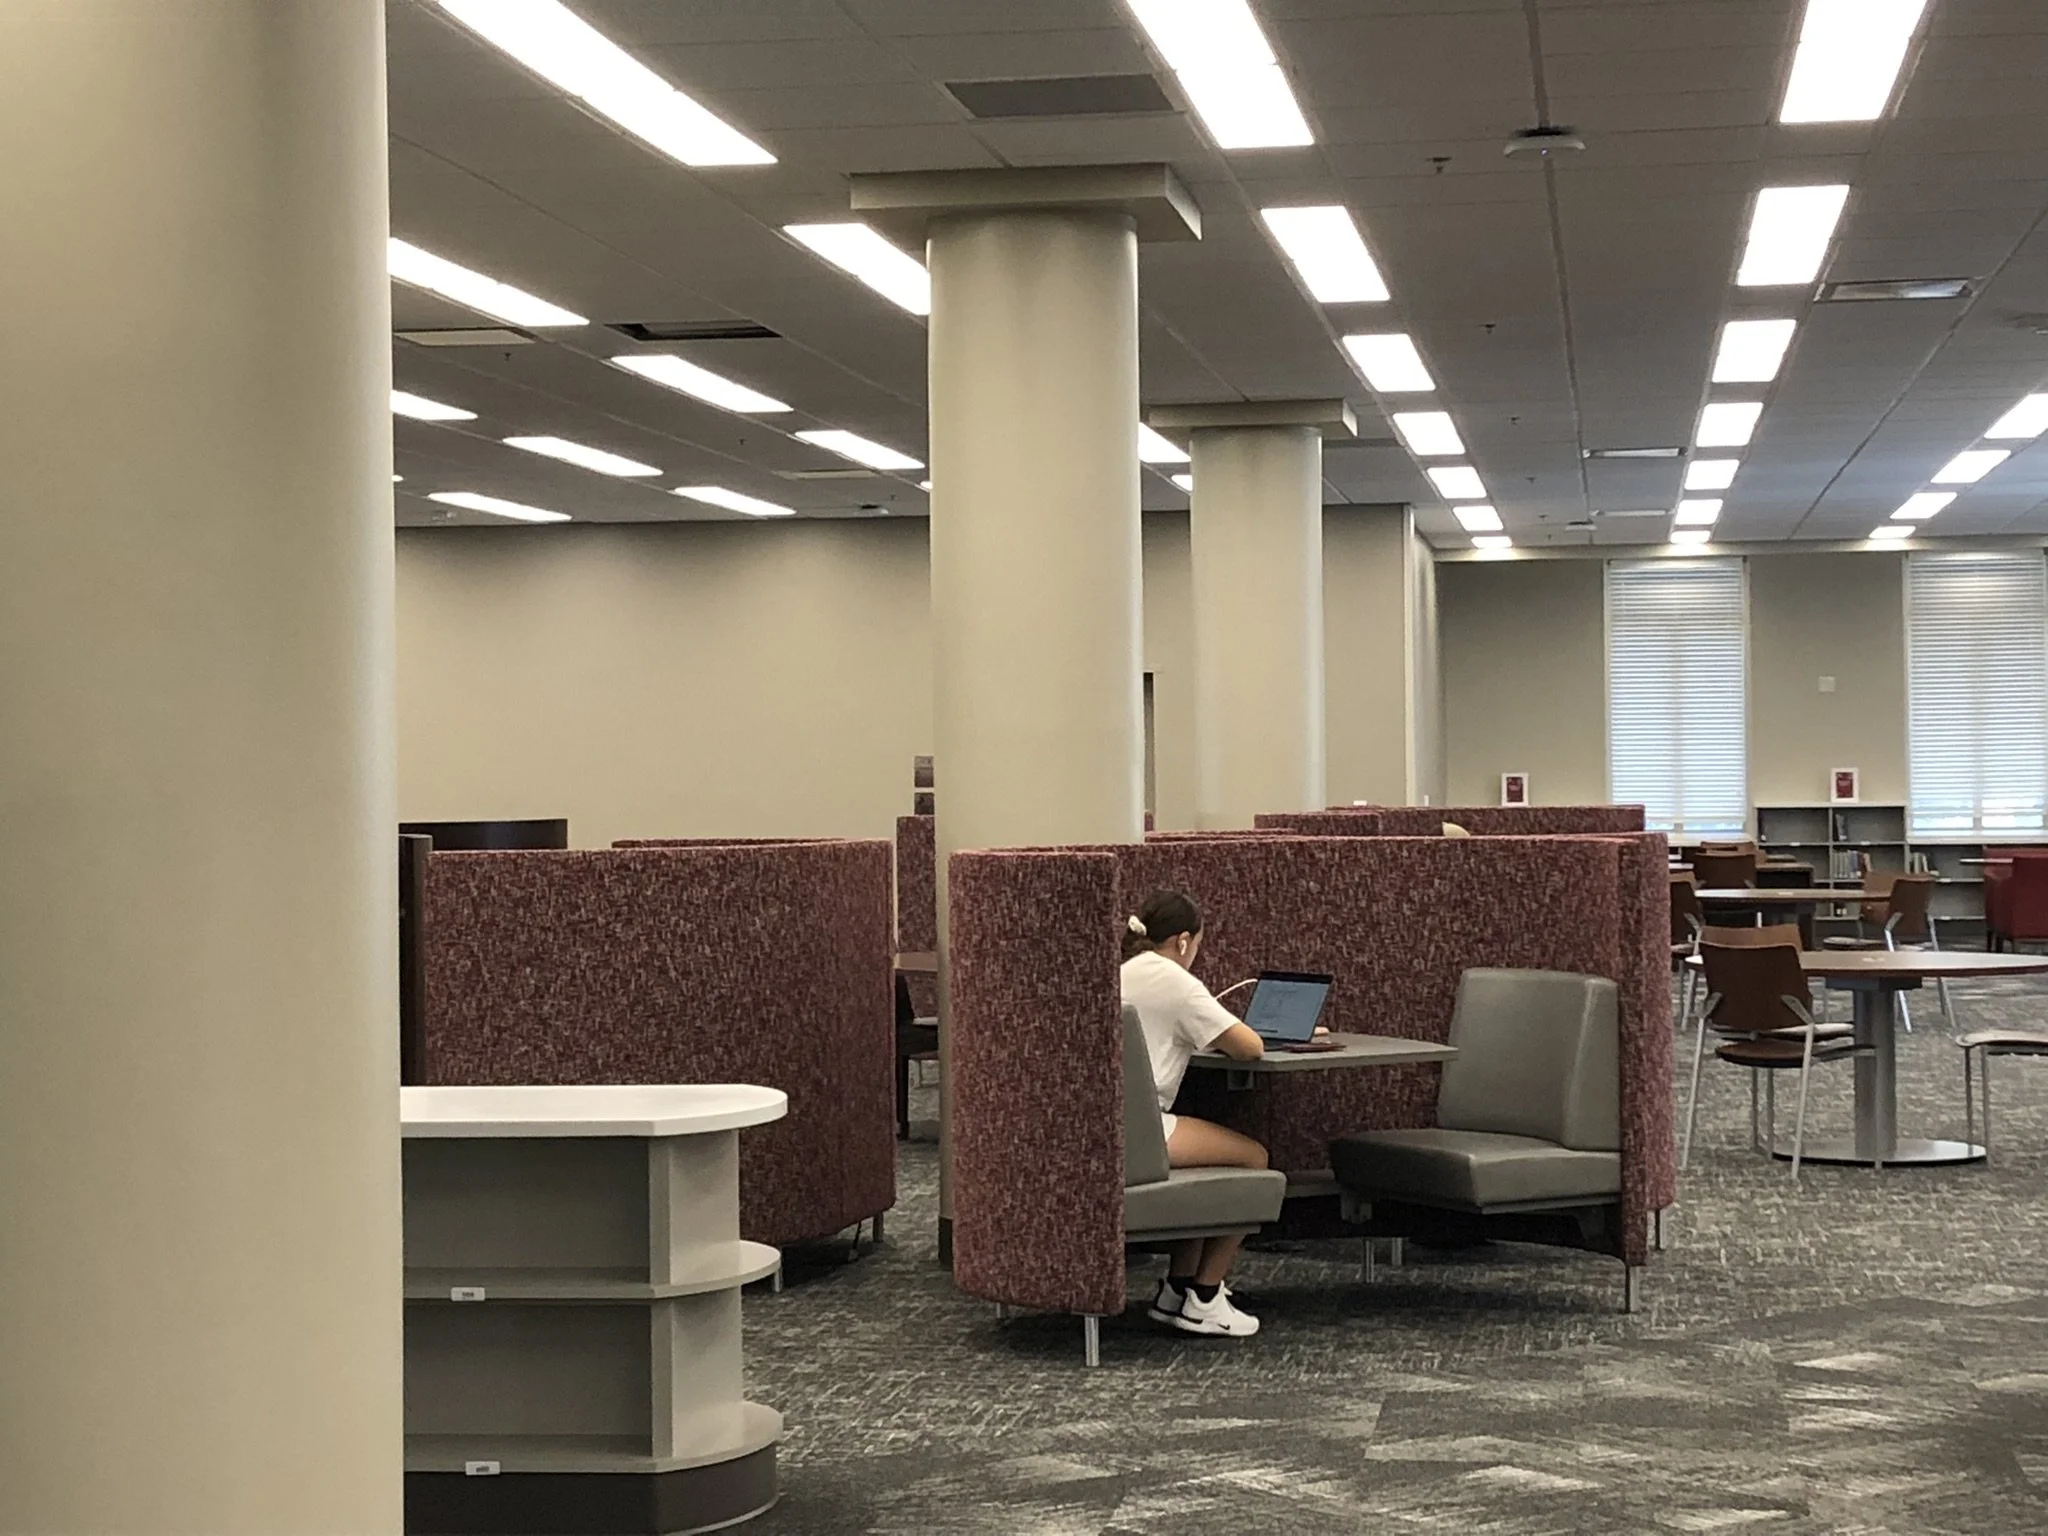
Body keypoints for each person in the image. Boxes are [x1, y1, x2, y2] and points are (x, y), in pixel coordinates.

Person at [1119, 890, 1270, 1338]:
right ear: (1183, 941)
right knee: (1254, 1158)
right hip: (1143, 1132)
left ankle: (1178, 1290)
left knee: (1213, 1165)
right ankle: (1205, 1297)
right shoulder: (1177, 980)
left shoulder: (1123, 972)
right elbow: (1249, 1047)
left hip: (1114, 1126)